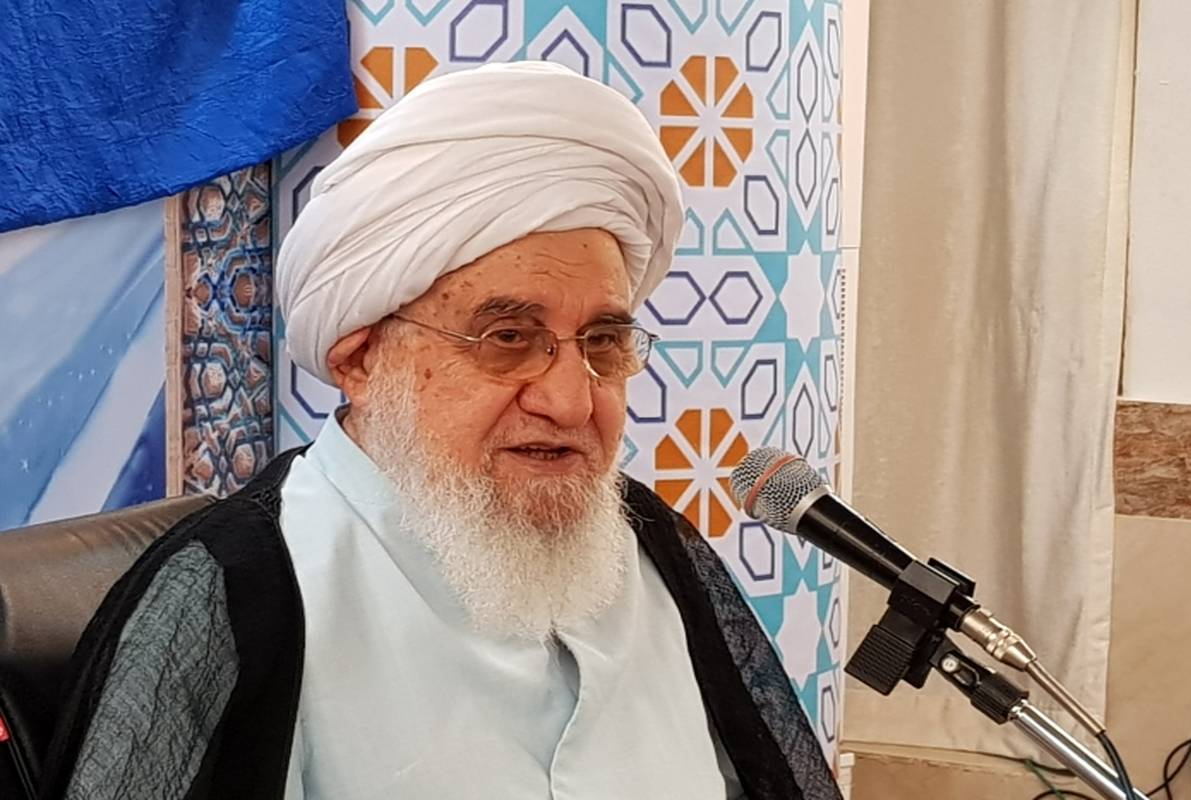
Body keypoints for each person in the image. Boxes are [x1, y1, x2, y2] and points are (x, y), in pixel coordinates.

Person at [38, 62, 841, 800]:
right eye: (508, 338)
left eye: (604, 342)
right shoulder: (234, 593)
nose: (571, 401)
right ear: (360, 358)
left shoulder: (655, 547)